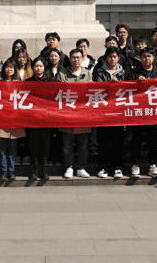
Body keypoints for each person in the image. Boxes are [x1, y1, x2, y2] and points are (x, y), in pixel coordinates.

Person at [129, 46, 157, 178]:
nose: (147, 59)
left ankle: (153, 165)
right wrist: (136, 83)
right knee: (136, 139)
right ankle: (135, 165)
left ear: (153, 58)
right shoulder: (133, 73)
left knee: (154, 139)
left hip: (153, 112)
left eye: (149, 56)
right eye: (144, 56)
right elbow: (126, 89)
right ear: (140, 58)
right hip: (137, 111)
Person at [93, 47, 128, 179]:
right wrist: (109, 85)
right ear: (106, 58)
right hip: (104, 111)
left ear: (118, 58)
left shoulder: (124, 72)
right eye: (110, 57)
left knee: (118, 141)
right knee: (103, 141)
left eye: (114, 57)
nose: (112, 59)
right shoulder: (99, 71)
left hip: (118, 112)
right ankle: (103, 167)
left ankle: (117, 167)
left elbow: (129, 88)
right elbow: (97, 88)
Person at [59, 49, 92, 179]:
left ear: (82, 59)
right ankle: (69, 167)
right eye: (73, 57)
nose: (76, 60)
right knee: (67, 145)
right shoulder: (62, 73)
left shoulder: (88, 73)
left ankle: (81, 167)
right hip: (67, 115)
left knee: (83, 145)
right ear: (69, 59)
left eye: (78, 57)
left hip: (83, 115)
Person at [0, 59, 25, 181]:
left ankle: (11, 171)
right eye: (7, 67)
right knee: (1, 148)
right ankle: (3, 171)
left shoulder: (20, 83)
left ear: (15, 69)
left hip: (14, 119)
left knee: (12, 148)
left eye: (11, 67)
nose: (9, 69)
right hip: (1, 119)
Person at [26, 58, 52, 180]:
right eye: (36, 66)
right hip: (32, 118)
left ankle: (44, 169)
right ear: (33, 68)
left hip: (46, 118)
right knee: (33, 144)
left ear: (44, 68)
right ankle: (35, 168)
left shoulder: (50, 82)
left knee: (45, 144)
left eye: (41, 66)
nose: (38, 68)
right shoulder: (27, 82)